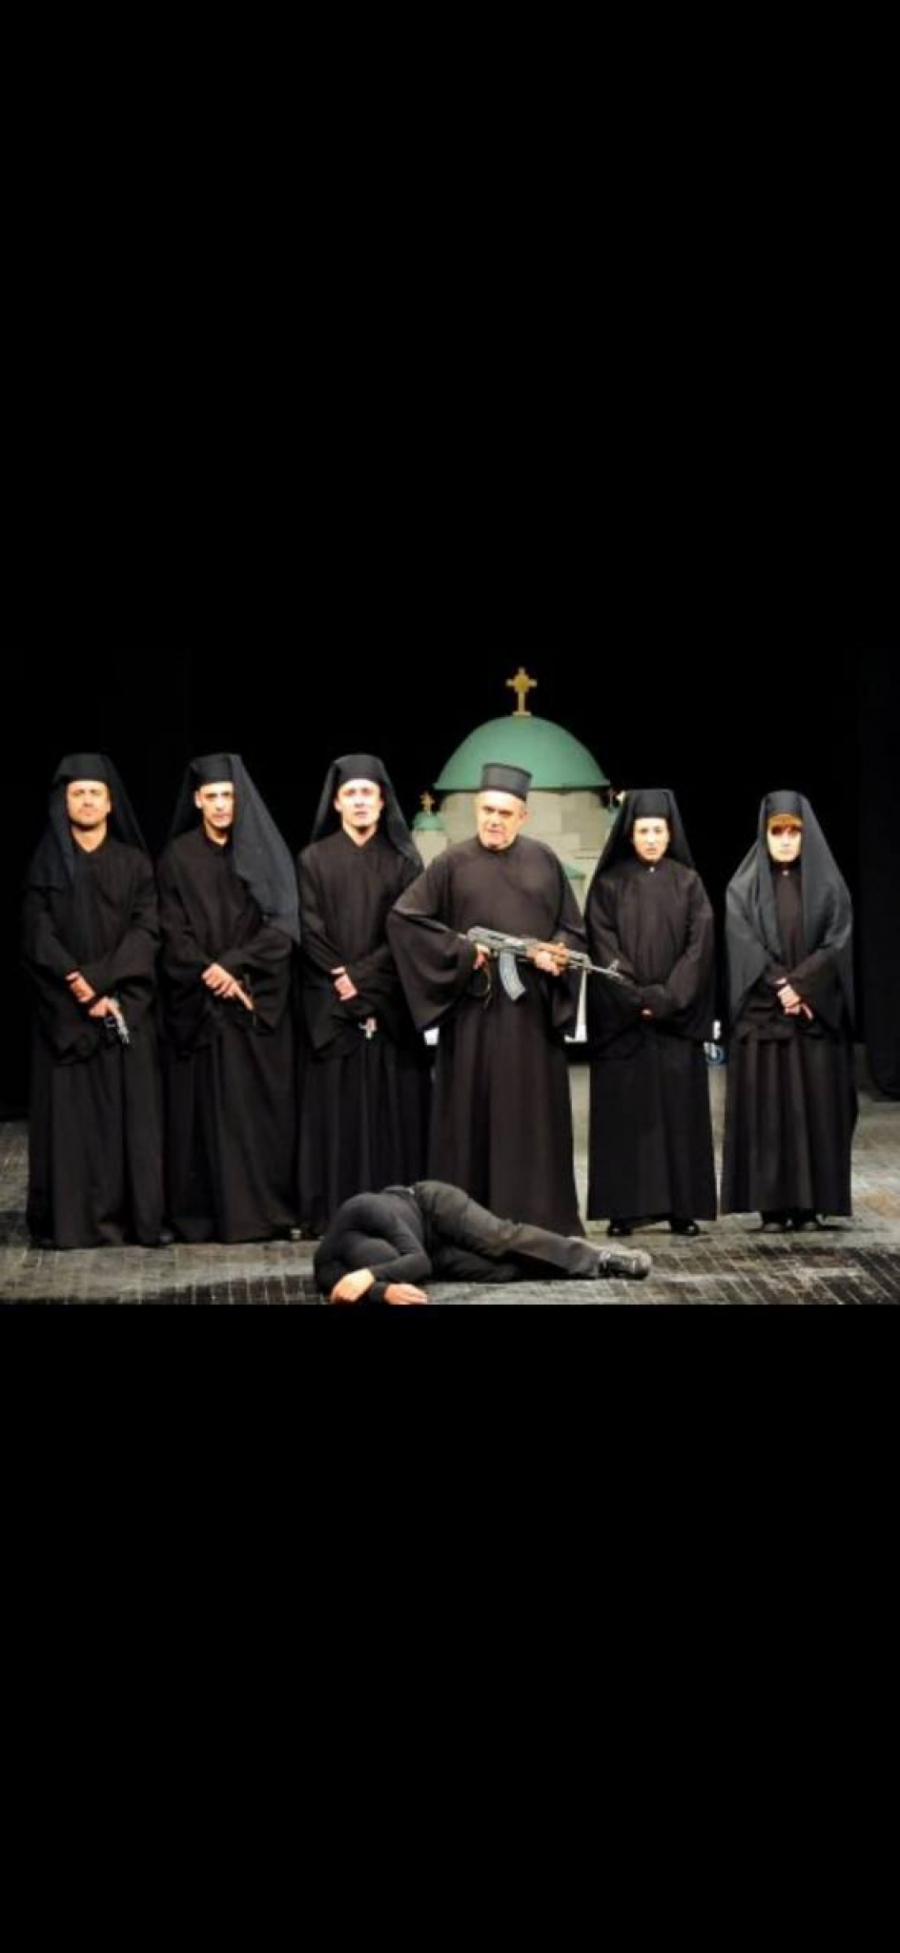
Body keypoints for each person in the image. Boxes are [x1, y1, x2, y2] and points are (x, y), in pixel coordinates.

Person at [388, 763, 586, 1236]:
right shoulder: (451, 864)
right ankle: (468, 1226)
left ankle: (540, 1220)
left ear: (523, 816)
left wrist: (557, 953)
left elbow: (573, 930)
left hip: (532, 1022)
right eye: (487, 810)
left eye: (504, 813)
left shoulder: (544, 860)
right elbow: (404, 920)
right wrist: (462, 952)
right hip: (473, 1021)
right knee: (471, 1118)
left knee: (531, 1119)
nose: (494, 820)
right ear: (477, 809)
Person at [23, 753, 166, 1249]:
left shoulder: (134, 863)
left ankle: (133, 1220)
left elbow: (146, 931)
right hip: (65, 1014)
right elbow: (38, 935)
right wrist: (76, 985)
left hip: (123, 1008)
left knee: (130, 1122)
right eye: (77, 793)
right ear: (64, 803)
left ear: (110, 803)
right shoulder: (45, 866)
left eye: (94, 793)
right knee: (71, 1126)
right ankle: (71, 1222)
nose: (86, 801)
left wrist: (100, 983)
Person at [157, 753, 300, 1243]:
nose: (221, 805)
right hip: (201, 1008)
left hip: (251, 1008)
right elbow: (170, 930)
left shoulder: (264, 852)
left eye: (228, 797)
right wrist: (208, 971)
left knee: (254, 1116)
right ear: (197, 800)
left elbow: (284, 927)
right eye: (212, 797)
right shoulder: (177, 858)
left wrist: (234, 965)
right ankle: (202, 1217)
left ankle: (263, 1213)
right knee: (202, 1118)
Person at [296, 755, 431, 1233]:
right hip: (333, 1007)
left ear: (382, 801)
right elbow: (309, 929)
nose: (359, 802)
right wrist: (346, 985)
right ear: (336, 803)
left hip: (389, 1008)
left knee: (391, 1112)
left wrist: (363, 982)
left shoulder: (405, 862)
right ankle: (331, 1214)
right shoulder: (312, 860)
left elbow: (407, 931)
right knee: (338, 1116)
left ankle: (397, 1214)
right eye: (350, 794)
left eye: (367, 793)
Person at [585, 788, 717, 1238]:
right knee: (626, 1117)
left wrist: (665, 998)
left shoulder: (689, 883)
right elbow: (602, 946)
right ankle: (624, 1209)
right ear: (630, 834)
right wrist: (636, 996)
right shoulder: (608, 885)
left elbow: (699, 947)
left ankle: (682, 1209)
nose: (651, 838)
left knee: (679, 1116)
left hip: (675, 1022)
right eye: (643, 831)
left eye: (658, 830)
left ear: (670, 833)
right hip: (624, 1024)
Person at [722, 790, 857, 1230]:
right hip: (765, 1019)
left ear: (805, 835)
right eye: (776, 831)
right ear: (764, 835)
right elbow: (743, 942)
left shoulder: (829, 886)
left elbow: (837, 942)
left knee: (815, 1111)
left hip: (813, 1020)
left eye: (792, 832)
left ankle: (811, 1204)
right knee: (770, 1112)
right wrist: (782, 986)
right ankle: (772, 1206)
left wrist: (800, 986)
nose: (784, 840)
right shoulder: (743, 887)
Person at [315, 1180, 653, 1304]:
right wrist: (383, 1291)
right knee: (501, 1271)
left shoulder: (364, 1209)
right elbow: (339, 1290)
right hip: (432, 1252)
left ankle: (600, 1258)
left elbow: (417, 1262)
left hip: (431, 1207)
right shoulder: (328, 1263)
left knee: (500, 1239)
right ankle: (567, 1259)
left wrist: (372, 1277)